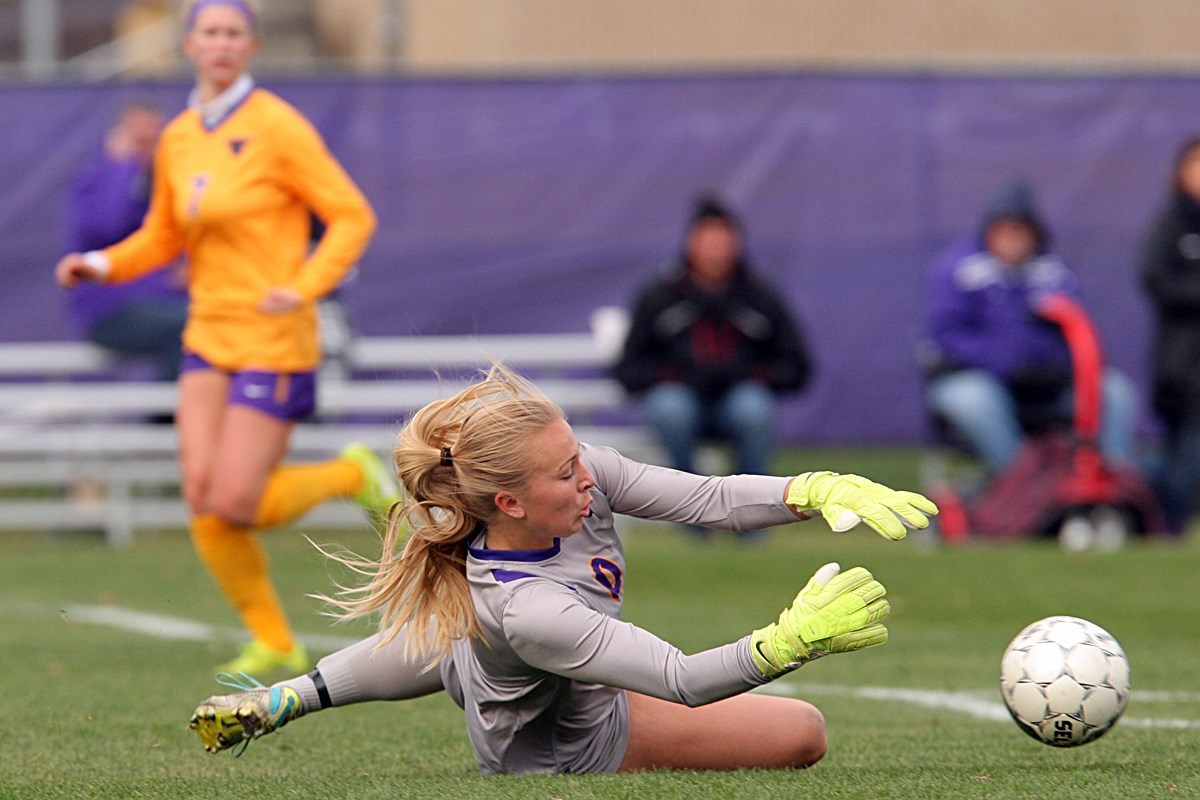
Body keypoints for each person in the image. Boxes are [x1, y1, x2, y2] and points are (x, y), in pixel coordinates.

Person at [188, 365, 938, 775]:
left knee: (459, 639)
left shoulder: (581, 481)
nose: (588, 476)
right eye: (565, 471)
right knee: (804, 733)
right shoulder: (529, 609)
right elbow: (682, 679)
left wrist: (811, 490)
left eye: (579, 455)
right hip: (558, 746)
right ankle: (306, 693)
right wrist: (789, 641)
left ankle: (289, 697)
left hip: (493, 661)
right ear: (510, 501)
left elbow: (707, 497)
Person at [54, 0, 394, 679]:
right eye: (208, 31)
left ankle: (352, 473)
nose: (220, 43)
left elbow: (353, 216)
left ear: (251, 45)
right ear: (187, 44)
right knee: (204, 498)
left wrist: (302, 286)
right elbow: (162, 235)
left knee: (238, 502)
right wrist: (101, 264)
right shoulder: (179, 136)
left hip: (275, 335)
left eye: (233, 32)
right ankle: (274, 640)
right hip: (209, 333)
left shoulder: (277, 124)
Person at [923, 180, 1137, 475]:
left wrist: (1051, 366)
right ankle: (1023, 485)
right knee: (971, 399)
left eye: (1021, 229)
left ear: (1035, 233)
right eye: (1005, 229)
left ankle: (1109, 484)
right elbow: (946, 336)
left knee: (1114, 390)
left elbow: (1078, 331)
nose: (1013, 238)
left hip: (1048, 386)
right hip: (983, 379)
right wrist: (1005, 363)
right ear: (989, 231)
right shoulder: (959, 269)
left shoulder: (1053, 272)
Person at [614, 196, 812, 491]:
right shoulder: (660, 296)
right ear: (691, 243)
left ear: (738, 245)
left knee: (754, 408)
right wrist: (677, 376)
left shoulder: (759, 297)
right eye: (708, 241)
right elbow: (628, 368)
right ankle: (687, 504)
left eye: (723, 241)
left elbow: (796, 365)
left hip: (738, 400)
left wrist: (747, 375)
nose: (715, 251)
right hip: (680, 398)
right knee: (671, 408)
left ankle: (751, 508)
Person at [63, 99, 189, 383]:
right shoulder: (96, 181)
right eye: (137, 138)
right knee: (187, 326)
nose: (146, 147)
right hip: (110, 312)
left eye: (153, 139)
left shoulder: (172, 186)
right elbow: (106, 225)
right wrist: (122, 165)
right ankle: (167, 421)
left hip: (170, 305)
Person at [1140, 136, 1200, 536]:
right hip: (1183, 366)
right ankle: (1166, 525)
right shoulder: (1172, 224)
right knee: (1184, 451)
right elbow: (1155, 278)